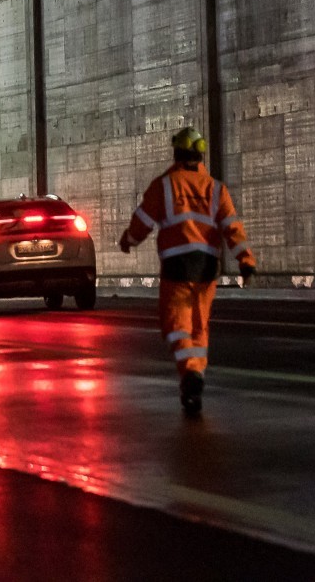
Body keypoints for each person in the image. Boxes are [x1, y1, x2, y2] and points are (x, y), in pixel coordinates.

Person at [118, 125, 256, 416]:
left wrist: (128, 240)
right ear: (200, 156)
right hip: (207, 268)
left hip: (177, 267)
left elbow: (142, 221)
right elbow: (232, 227)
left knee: (175, 325)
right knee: (199, 327)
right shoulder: (216, 189)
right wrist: (245, 259)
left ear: (177, 153)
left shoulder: (165, 185)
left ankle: (191, 373)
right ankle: (195, 381)